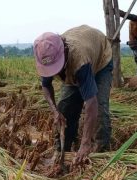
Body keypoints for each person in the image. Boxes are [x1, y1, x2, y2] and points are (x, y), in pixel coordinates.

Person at [33, 25, 113, 166]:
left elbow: (91, 103)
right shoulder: (46, 55)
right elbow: (46, 85)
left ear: (63, 51)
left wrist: (85, 142)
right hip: (73, 66)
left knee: (100, 109)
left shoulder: (80, 60)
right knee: (65, 108)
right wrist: (55, 112)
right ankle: (63, 151)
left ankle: (99, 153)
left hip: (100, 59)